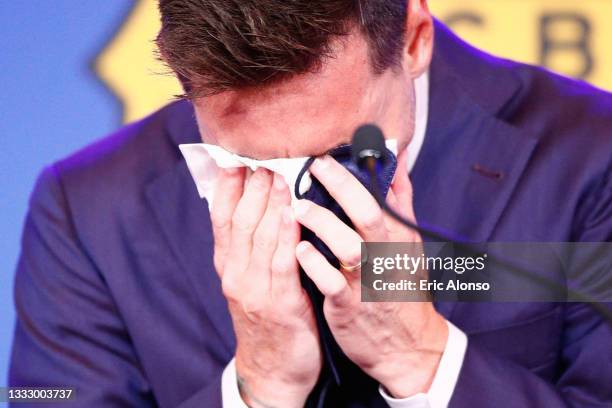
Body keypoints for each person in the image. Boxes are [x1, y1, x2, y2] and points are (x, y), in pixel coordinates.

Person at [9, 0, 612, 407]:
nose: (298, 193)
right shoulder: (87, 207)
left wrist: (421, 357)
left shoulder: (592, 155)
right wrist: (260, 385)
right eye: (251, 166)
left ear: (413, 40)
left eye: (339, 154)